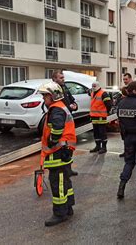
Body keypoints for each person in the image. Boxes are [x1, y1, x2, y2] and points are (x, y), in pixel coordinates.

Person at [38, 82, 76, 227]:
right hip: (64, 151)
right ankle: (69, 207)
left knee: (58, 182)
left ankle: (60, 213)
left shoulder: (56, 110)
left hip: (58, 152)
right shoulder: (60, 107)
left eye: (45, 96)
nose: (43, 99)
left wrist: (51, 140)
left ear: (52, 96)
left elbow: (57, 129)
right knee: (65, 180)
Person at [52, 70, 78, 177]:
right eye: (61, 78)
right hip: (60, 122)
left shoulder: (65, 87)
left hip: (69, 121)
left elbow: (72, 100)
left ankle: (68, 168)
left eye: (63, 77)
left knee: (69, 146)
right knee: (61, 147)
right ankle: (61, 170)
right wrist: (68, 107)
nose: (63, 79)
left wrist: (75, 105)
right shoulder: (53, 90)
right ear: (54, 79)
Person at [88, 81, 112, 154]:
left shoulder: (103, 93)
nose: (93, 88)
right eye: (93, 86)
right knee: (96, 133)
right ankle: (97, 146)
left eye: (94, 86)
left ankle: (104, 147)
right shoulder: (92, 93)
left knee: (102, 132)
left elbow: (109, 104)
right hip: (94, 116)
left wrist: (106, 112)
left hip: (101, 116)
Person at [116, 73, 133, 158]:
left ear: (130, 79)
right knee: (124, 136)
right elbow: (118, 102)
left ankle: (131, 153)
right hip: (124, 118)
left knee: (131, 136)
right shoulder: (123, 89)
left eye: (126, 79)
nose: (125, 81)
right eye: (124, 79)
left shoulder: (134, 88)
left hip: (132, 117)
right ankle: (126, 151)